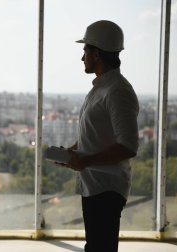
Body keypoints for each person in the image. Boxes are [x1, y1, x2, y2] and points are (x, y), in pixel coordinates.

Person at [63, 20, 139, 252]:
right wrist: (75, 151)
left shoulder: (117, 92)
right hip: (95, 185)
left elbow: (128, 146)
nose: (82, 56)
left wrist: (84, 160)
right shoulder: (102, 88)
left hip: (107, 189)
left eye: (85, 50)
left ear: (96, 53)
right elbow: (97, 134)